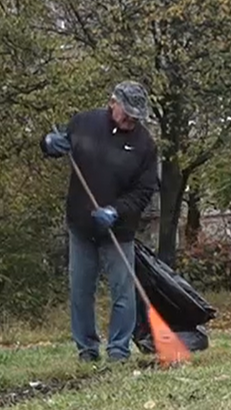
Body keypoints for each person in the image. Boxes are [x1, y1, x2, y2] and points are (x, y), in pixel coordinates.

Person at [41, 81, 159, 363]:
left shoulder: (145, 145)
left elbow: (143, 192)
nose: (130, 119)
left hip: (119, 230)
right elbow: (61, 145)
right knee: (81, 290)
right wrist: (48, 145)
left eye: (136, 116)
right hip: (81, 225)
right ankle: (87, 350)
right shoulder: (84, 123)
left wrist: (116, 211)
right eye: (126, 113)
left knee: (123, 291)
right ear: (112, 103)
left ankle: (118, 349)